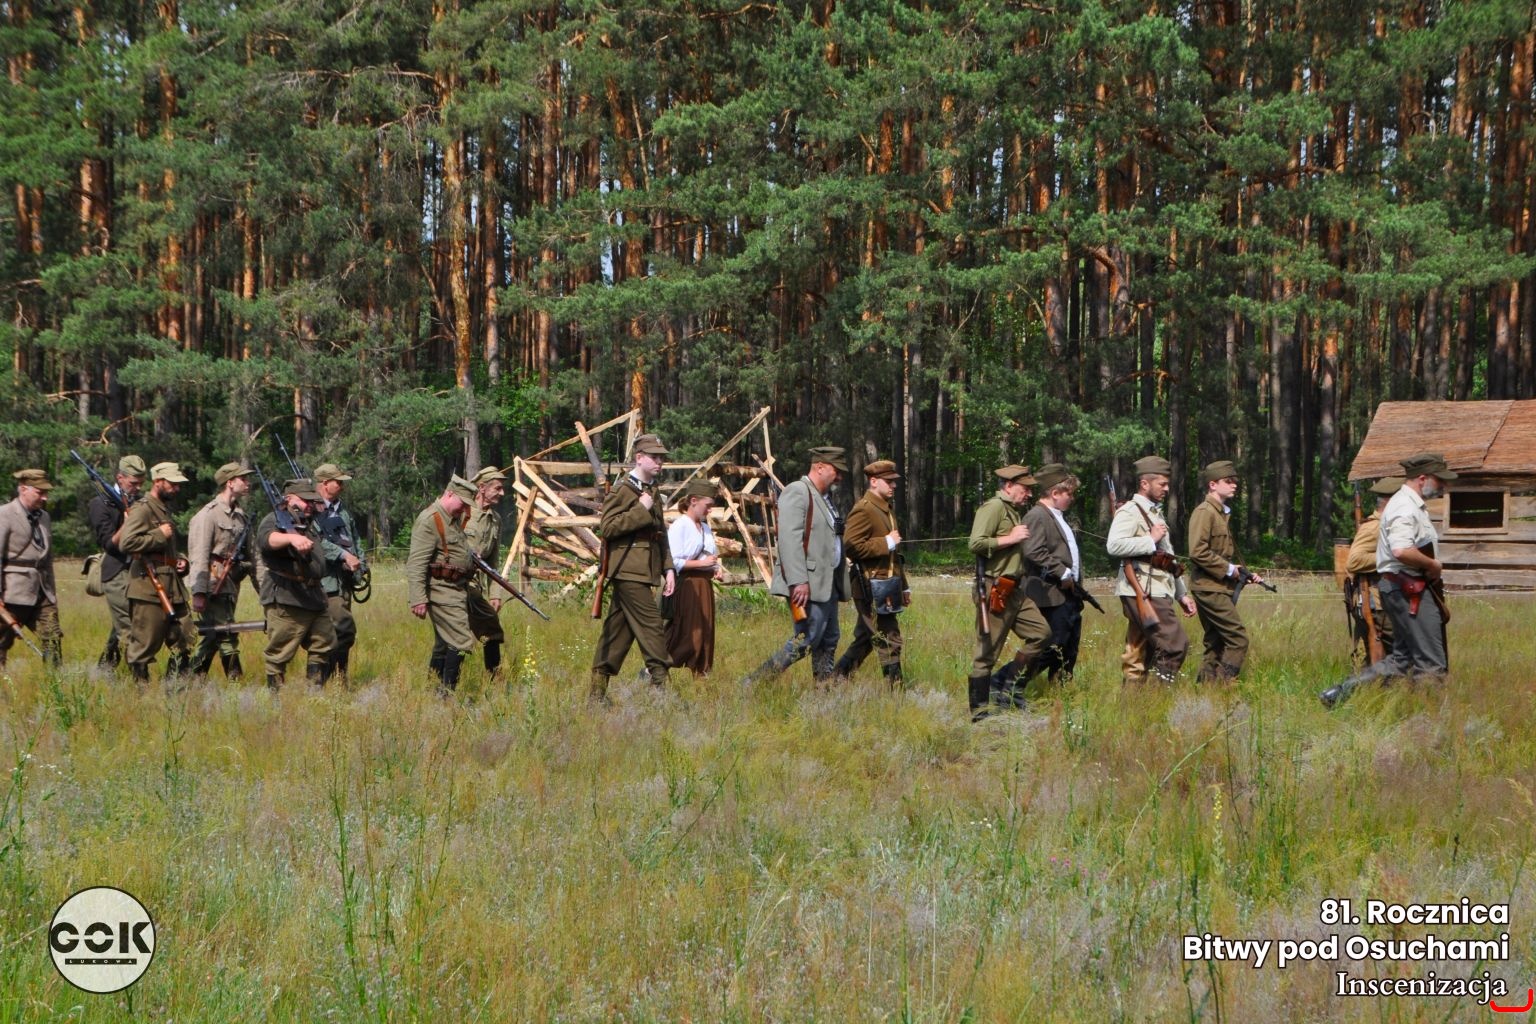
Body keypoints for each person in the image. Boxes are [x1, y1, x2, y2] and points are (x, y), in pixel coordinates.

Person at [1321, 454, 1455, 707]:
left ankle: (1339, 694)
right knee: (1431, 663)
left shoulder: (1410, 505)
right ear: (1423, 479)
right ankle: (1431, 721)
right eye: (1440, 480)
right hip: (1409, 588)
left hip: (1403, 588)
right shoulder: (1405, 507)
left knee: (1400, 660)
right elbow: (1401, 550)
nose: (1444, 485)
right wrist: (1433, 565)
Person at [742, 446, 851, 687]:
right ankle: (755, 683)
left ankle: (822, 690)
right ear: (819, 467)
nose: (840, 477)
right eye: (836, 471)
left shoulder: (824, 499)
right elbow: (789, 541)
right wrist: (798, 580)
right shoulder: (798, 492)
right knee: (806, 638)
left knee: (829, 638)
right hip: (807, 583)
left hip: (827, 582)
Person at [589, 435, 677, 703]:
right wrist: (640, 509)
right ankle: (664, 694)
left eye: (662, 457)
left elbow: (660, 534)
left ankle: (595, 697)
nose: (660, 461)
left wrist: (668, 569)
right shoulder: (623, 490)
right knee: (652, 627)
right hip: (627, 570)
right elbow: (607, 528)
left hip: (644, 570)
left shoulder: (652, 491)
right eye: (654, 457)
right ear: (639, 458)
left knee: (616, 635)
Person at [967, 464, 1052, 719]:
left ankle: (1009, 689)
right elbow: (976, 543)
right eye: (1025, 489)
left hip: (1014, 589)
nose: (1029, 494)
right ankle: (979, 714)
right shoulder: (993, 508)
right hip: (995, 588)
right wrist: (1010, 539)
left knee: (1041, 634)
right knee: (987, 653)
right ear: (1008, 486)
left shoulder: (1012, 511)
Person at [1105, 455, 1196, 684]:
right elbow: (1113, 545)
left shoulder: (1154, 512)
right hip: (1143, 589)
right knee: (1174, 645)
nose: (1167, 489)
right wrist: (1150, 539)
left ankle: (1136, 702)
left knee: (1138, 652)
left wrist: (1181, 593)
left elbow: (1165, 558)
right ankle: (1157, 696)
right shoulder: (1130, 511)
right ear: (1145, 484)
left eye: (1167, 484)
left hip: (1156, 588)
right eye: (1162, 484)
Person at [117, 462, 198, 684]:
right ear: (158, 482)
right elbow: (127, 543)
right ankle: (139, 693)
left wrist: (181, 562)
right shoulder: (143, 509)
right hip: (148, 588)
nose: (177, 489)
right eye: (173, 484)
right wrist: (159, 534)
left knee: (186, 636)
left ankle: (177, 689)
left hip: (171, 586)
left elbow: (166, 550)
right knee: (145, 643)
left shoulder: (163, 508)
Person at [1186, 460, 1263, 682]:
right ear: (1213, 484)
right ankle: (1224, 685)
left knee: (1216, 641)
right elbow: (1197, 551)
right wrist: (1229, 570)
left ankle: (1205, 690)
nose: (1234, 485)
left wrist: (1239, 571)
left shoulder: (1220, 513)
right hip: (1209, 588)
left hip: (1217, 586)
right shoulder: (1205, 512)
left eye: (1235, 481)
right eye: (1228, 481)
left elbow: (1218, 553)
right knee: (1238, 639)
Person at [831, 459, 907, 686]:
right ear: (874, 481)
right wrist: (886, 542)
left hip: (886, 585)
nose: (893, 486)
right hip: (870, 585)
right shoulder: (864, 509)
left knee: (866, 637)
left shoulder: (885, 508)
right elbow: (851, 545)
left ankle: (835, 681)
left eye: (894, 482)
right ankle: (896, 691)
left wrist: (904, 586)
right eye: (888, 481)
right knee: (889, 638)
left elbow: (893, 556)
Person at [431, 465, 509, 683]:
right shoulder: (462, 511)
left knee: (492, 629)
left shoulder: (495, 520)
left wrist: (495, 594)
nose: (502, 493)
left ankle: (495, 682)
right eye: (497, 488)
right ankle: (438, 687)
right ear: (482, 488)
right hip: (451, 583)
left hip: (474, 587)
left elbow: (493, 562)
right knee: (450, 638)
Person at [255, 479, 335, 689]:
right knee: (280, 652)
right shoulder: (275, 519)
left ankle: (315, 693)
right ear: (289, 499)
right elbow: (267, 539)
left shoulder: (307, 523)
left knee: (323, 644)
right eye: (305, 500)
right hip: (287, 596)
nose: (310, 505)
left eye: (312, 500)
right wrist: (291, 539)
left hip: (314, 596)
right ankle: (275, 699)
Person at [407, 475, 482, 694]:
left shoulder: (452, 518)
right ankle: (447, 694)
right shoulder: (430, 519)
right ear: (450, 494)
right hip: (441, 590)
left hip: (457, 588)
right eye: (462, 503)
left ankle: (434, 690)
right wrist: (418, 599)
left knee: (444, 642)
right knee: (461, 641)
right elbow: (416, 563)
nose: (464, 509)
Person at [187, 462, 256, 680]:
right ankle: (236, 683)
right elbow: (199, 555)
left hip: (230, 584)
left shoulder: (241, 516)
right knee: (226, 633)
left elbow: (254, 556)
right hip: (211, 584)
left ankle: (190, 680)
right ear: (230, 483)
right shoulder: (208, 515)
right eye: (243, 479)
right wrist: (199, 592)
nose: (247, 483)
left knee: (214, 634)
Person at [1020, 463, 1084, 684]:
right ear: (1055, 493)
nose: (1072, 498)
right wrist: (1062, 572)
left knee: (1069, 646)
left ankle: (1060, 691)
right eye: (1069, 494)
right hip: (1049, 593)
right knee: (1052, 644)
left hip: (1068, 593)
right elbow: (1032, 551)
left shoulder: (1057, 515)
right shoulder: (1037, 515)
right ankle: (1011, 683)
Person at [87, 454, 146, 668]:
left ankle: (104, 669)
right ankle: (140, 679)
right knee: (130, 629)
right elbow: (109, 545)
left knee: (124, 623)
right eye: (133, 483)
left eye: (140, 483)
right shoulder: (100, 504)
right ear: (120, 478)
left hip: (139, 571)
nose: (138, 488)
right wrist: (128, 524)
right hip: (116, 571)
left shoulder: (140, 502)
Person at [0, 469, 62, 667]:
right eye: (39, 492)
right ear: (23, 489)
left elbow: (48, 559)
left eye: (46, 493)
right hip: (11, 592)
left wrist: (52, 594)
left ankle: (54, 682)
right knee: (1, 642)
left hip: (42, 591)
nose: (44, 497)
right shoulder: (4, 514)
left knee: (52, 639)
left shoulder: (45, 517)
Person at [666, 478, 726, 677]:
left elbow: (709, 556)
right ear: (693, 501)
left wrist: (716, 569)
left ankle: (702, 675)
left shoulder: (705, 528)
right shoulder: (680, 526)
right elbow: (673, 561)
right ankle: (656, 667)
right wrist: (702, 564)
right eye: (707, 505)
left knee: (706, 632)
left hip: (704, 586)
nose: (710, 510)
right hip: (687, 586)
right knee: (688, 632)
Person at [1344, 477, 1403, 661]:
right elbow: (1354, 561)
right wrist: (1394, 557)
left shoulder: (1390, 525)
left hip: (1387, 602)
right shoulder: (1374, 527)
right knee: (1385, 655)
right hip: (1376, 604)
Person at [313, 463, 363, 681]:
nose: (342, 486)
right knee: (341, 630)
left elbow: (354, 540)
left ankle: (338, 679)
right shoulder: (310, 510)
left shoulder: (342, 510)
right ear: (325, 483)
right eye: (338, 482)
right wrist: (343, 555)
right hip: (326, 582)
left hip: (344, 581)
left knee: (342, 633)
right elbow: (316, 542)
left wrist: (361, 565)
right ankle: (328, 680)